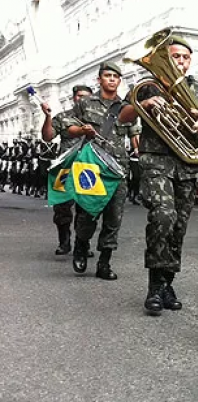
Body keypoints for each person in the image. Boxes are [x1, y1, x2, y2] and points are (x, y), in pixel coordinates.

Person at [118, 34, 198, 315]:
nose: (180, 62)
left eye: (185, 57)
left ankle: (167, 283)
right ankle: (153, 285)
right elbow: (124, 117)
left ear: (190, 61)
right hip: (156, 161)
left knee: (178, 227)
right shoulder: (147, 87)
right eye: (175, 56)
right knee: (162, 216)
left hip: (186, 164)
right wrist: (144, 105)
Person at [66, 63, 139, 280]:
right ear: (99, 79)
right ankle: (81, 245)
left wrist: (140, 156)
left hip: (117, 169)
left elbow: (134, 135)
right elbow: (67, 126)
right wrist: (81, 130)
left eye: (116, 76)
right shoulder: (86, 104)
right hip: (91, 167)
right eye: (107, 75)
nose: (112, 79)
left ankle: (104, 261)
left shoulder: (126, 107)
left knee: (114, 217)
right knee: (88, 213)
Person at [41, 85, 93, 256]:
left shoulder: (96, 118)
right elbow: (48, 136)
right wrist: (48, 116)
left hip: (87, 169)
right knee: (62, 207)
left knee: (86, 208)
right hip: (65, 168)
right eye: (79, 96)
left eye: (86, 96)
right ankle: (64, 241)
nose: (82, 99)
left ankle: (83, 243)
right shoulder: (64, 117)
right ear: (73, 98)